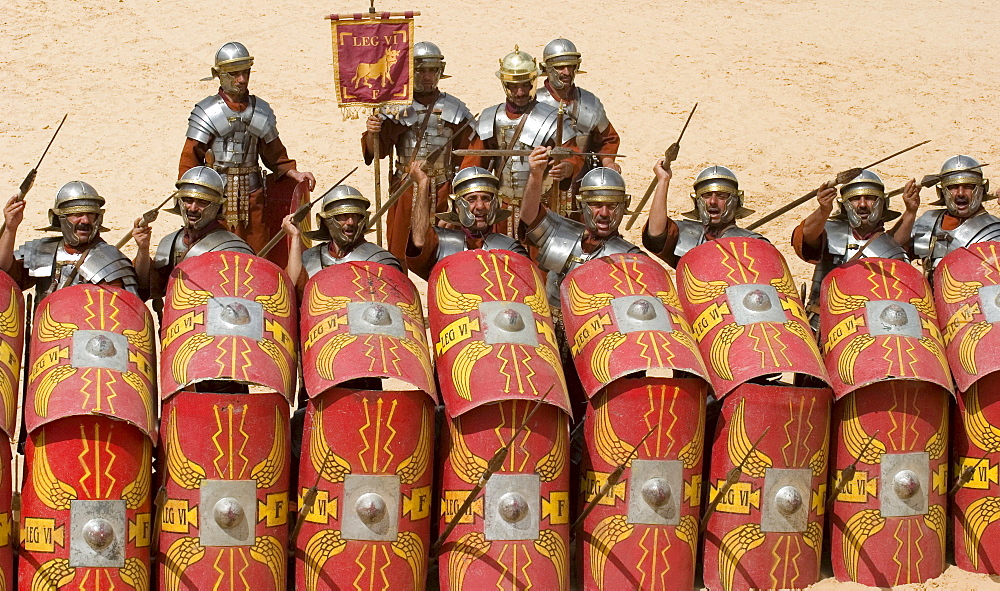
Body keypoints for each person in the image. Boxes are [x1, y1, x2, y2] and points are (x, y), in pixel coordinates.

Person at [179, 41, 315, 252]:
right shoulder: (206, 112)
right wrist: (192, 199)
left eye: (245, 72)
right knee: (215, 250)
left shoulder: (261, 110)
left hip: (253, 196)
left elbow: (275, 155)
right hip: (216, 197)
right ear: (220, 74)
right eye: (234, 74)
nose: (241, 80)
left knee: (257, 249)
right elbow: (190, 160)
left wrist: (293, 173)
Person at [361, 41, 476, 266]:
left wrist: (459, 197)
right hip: (405, 187)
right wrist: (373, 132)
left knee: (445, 250)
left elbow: (470, 155)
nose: (427, 76)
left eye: (432, 70)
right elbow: (377, 151)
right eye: (421, 70)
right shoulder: (394, 108)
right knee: (398, 251)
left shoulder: (455, 108)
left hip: (443, 187)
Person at [460, 46, 581, 230]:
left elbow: (574, 154)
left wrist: (567, 167)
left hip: (542, 207)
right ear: (505, 85)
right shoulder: (490, 117)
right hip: (502, 207)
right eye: (514, 86)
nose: (520, 92)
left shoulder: (552, 117)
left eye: (525, 85)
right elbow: (473, 164)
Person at [520, 146, 642, 307]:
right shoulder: (562, 233)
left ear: (624, 206)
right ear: (581, 204)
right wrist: (536, 175)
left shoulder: (632, 259)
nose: (604, 213)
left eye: (612, 206)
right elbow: (530, 218)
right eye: (595, 205)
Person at [792, 170, 915, 315]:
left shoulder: (889, 246)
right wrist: (824, 210)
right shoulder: (829, 234)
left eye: (870, 198)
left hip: (873, 324)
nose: (862, 205)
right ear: (844, 205)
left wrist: (911, 211)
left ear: (883, 203)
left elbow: (894, 249)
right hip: (822, 321)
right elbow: (806, 237)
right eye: (855, 199)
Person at [0, 181, 138, 300]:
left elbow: (121, 310)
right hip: (45, 329)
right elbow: (5, 274)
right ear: (61, 219)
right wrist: (10, 229)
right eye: (77, 214)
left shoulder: (111, 262)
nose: (85, 220)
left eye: (91, 214)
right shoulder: (42, 251)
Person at [134, 166, 253, 301]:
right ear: (179, 202)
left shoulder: (232, 249)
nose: (193, 208)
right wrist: (143, 249)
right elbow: (146, 287)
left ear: (218, 206)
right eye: (188, 200)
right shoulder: (170, 243)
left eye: (202, 202)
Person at [406, 162, 527, 280]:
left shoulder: (510, 249)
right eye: (471, 199)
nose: (480, 206)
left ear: (495, 205)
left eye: (485, 199)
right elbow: (419, 241)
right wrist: (422, 184)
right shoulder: (441, 243)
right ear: (457, 207)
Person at [643, 161, 767, 268]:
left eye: (721, 196)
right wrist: (663, 180)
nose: (713, 201)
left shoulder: (754, 244)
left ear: (735, 201)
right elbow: (655, 233)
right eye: (706, 196)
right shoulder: (686, 235)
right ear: (697, 202)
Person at [282, 185, 400, 291]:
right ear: (326, 221)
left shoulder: (380, 261)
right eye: (344, 216)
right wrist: (295, 237)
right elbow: (291, 291)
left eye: (355, 216)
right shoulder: (310, 258)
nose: (351, 222)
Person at [536, 38, 621, 179]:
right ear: (548, 68)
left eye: (571, 66)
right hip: (541, 181)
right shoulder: (535, 102)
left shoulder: (590, 103)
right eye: (560, 67)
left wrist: (608, 161)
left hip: (580, 179)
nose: (567, 72)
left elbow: (607, 138)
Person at [903, 155, 1000, 277]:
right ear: (941, 192)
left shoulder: (995, 230)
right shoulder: (929, 221)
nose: (960, 193)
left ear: (982, 188)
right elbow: (894, 254)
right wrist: (910, 212)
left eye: (968, 187)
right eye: (953, 187)